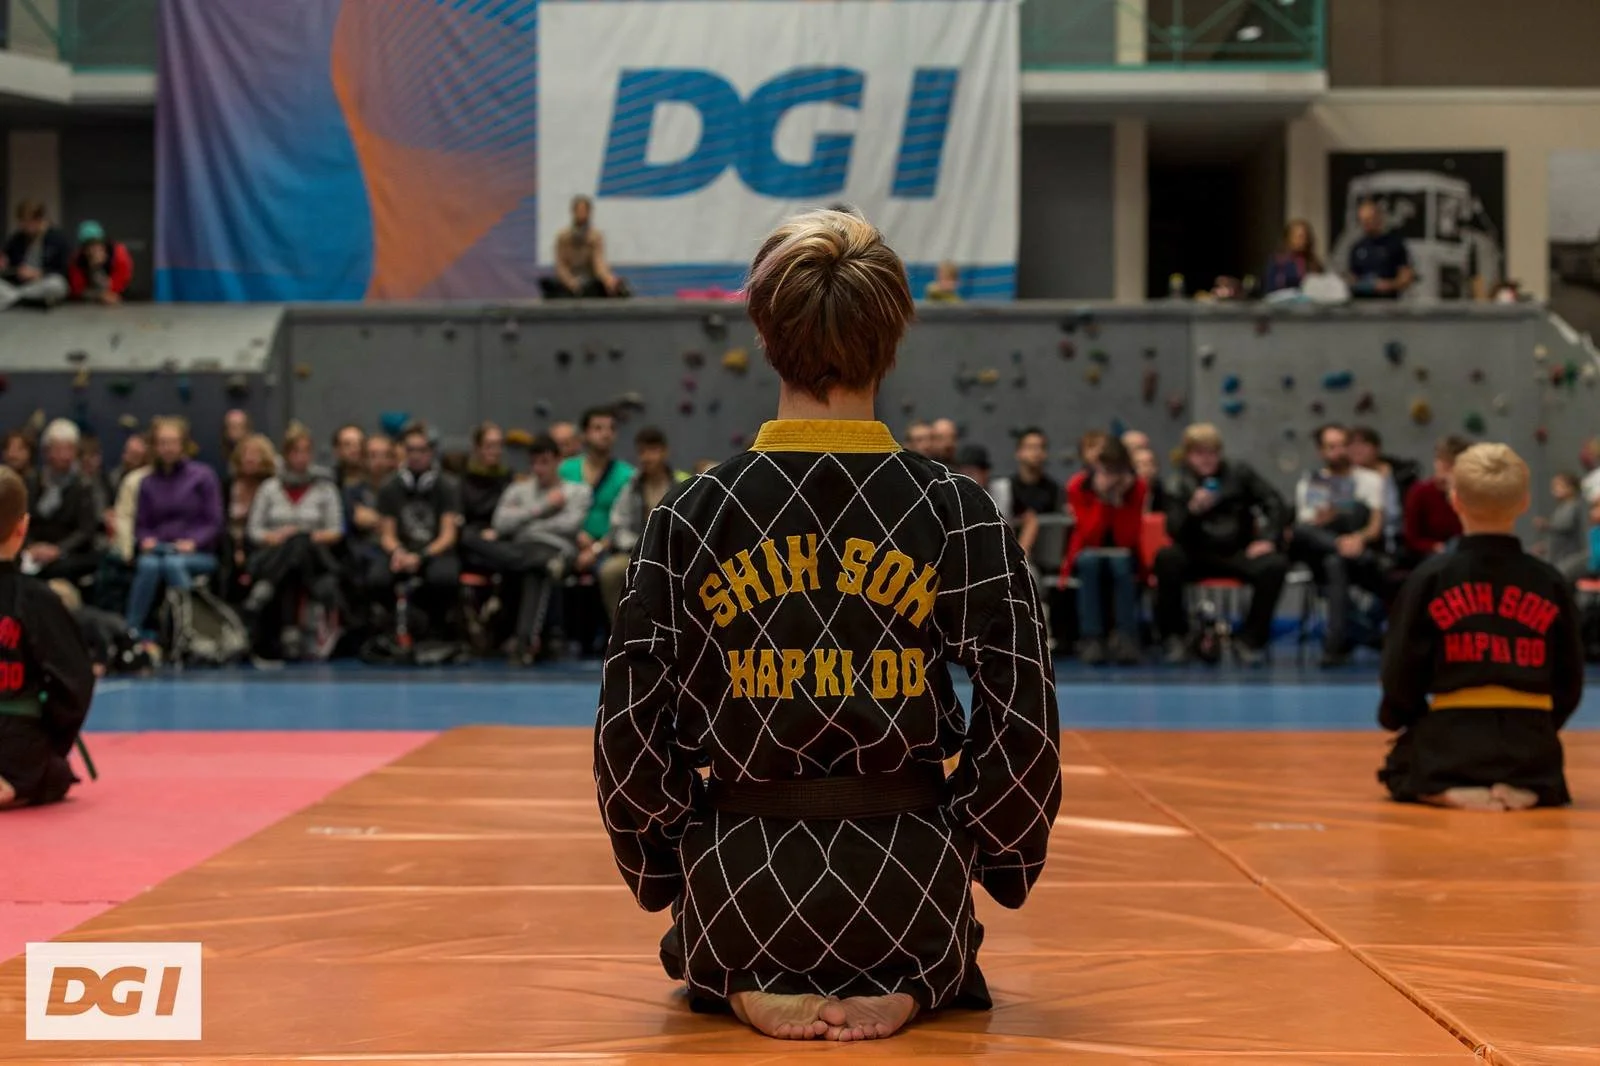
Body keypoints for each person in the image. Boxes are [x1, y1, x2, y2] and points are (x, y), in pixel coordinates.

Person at [595, 209, 1061, 1042]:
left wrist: (667, 863)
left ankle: (742, 978)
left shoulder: (695, 514)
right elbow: (1024, 719)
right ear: (893, 337)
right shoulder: (955, 510)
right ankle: (910, 982)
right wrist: (988, 852)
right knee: (925, 940)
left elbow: (629, 732)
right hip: (910, 890)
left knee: (723, 932)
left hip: (741, 887)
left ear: (766, 336)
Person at [1377, 444, 1584, 810]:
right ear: (1524, 502)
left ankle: (1447, 789)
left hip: (1452, 738)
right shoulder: (1550, 581)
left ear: (1455, 500)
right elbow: (1570, 678)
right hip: (1530, 745)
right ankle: (1526, 789)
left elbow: (1400, 669)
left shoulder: (1430, 577)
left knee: (1399, 768)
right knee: (1540, 769)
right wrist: (1544, 725)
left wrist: (1401, 716)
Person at [1155, 423, 1289, 665]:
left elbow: (1275, 502)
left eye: (1212, 453)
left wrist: (1268, 539)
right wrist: (1192, 511)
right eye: (1199, 453)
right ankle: (1175, 637)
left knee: (1274, 565)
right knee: (1166, 558)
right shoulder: (1177, 482)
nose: (1206, 459)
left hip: (1237, 551)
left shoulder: (1240, 473)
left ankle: (1251, 640)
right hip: (1196, 553)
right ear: (1188, 455)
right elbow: (1173, 529)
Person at [0, 468, 95, 809]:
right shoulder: (37, 600)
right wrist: (54, 741)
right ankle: (15, 781)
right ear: (22, 527)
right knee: (53, 772)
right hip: (17, 743)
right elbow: (75, 683)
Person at [243, 425, 346, 661]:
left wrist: (305, 535)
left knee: (299, 542)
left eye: (305, 451)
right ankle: (291, 633)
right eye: (295, 451)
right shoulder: (269, 488)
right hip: (274, 551)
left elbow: (336, 530)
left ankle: (267, 585)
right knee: (293, 558)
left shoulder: (325, 488)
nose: (301, 457)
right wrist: (275, 537)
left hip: (316, 556)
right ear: (286, 454)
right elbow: (254, 530)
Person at [1290, 425, 1389, 667]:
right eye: (1331, 447)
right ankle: (1366, 639)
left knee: (1338, 558)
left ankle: (1335, 646)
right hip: (1325, 551)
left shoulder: (1370, 480)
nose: (1339, 452)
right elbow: (1308, 528)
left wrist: (1358, 538)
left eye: (1343, 445)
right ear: (1321, 451)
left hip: (1361, 554)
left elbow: (1375, 526)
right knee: (1308, 537)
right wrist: (1336, 534)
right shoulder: (1311, 482)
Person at [492, 435, 590, 662]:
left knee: (537, 567)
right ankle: (524, 643)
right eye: (534, 463)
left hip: (557, 550)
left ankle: (524, 641)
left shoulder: (577, 491)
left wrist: (525, 523)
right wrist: (542, 508)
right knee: (472, 538)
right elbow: (499, 523)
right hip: (523, 549)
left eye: (544, 462)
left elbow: (570, 525)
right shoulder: (518, 489)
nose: (538, 469)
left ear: (558, 461)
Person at [126, 417, 223, 634]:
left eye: (172, 442)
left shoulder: (203, 476)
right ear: (154, 446)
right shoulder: (147, 482)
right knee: (148, 565)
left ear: (183, 444)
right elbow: (141, 525)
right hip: (159, 549)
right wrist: (145, 540)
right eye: (162, 442)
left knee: (173, 564)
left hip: (197, 552)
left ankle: (193, 630)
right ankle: (132, 629)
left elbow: (213, 522)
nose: (167, 448)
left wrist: (194, 542)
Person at [1063, 437, 1145, 665]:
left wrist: (1119, 502)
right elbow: (1089, 535)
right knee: (1090, 561)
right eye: (1107, 470)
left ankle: (1126, 637)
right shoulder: (1078, 485)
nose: (1112, 478)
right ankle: (1092, 638)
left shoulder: (1137, 487)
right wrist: (1102, 500)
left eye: (1117, 471)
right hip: (1088, 552)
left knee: (1121, 563)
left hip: (1123, 555)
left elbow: (1127, 539)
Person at [377, 424, 462, 634]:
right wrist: (399, 552)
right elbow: (387, 534)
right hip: (402, 551)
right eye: (410, 450)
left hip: (434, 551)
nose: (415, 456)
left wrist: (421, 557)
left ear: (431, 452)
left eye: (421, 450)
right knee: (376, 578)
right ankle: (387, 628)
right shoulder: (389, 487)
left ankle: (435, 629)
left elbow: (448, 536)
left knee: (443, 578)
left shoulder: (447, 486)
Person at [598, 426, 688, 622]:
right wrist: (639, 548)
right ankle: (620, 628)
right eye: (642, 452)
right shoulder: (631, 486)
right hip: (636, 552)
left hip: (675, 554)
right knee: (610, 571)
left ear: (664, 452)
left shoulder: (682, 484)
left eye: (652, 451)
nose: (646, 457)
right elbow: (617, 524)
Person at [559, 407, 635, 576]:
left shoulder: (627, 475)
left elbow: (624, 523)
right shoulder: (565, 469)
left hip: (609, 548)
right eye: (598, 428)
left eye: (611, 428)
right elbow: (556, 512)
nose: (606, 434)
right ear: (584, 434)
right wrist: (576, 535)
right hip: (568, 541)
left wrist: (596, 548)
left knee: (611, 572)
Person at [24, 420, 100, 584]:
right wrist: (31, 546)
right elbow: (23, 519)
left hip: (70, 552)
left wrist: (57, 550)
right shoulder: (33, 481)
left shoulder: (83, 485)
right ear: (46, 452)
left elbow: (86, 530)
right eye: (58, 450)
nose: (65, 456)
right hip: (34, 549)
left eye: (70, 449)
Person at [542, 195, 627, 298]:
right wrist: (571, 282)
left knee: (611, 289)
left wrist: (608, 279)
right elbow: (561, 266)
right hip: (568, 282)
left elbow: (599, 262)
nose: (582, 214)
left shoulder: (595, 236)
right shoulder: (563, 237)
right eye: (579, 210)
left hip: (589, 282)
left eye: (585, 211)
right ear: (573, 212)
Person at [1403, 436, 1471, 564]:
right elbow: (1411, 538)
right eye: (1442, 463)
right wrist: (1434, 546)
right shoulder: (1420, 492)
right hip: (1431, 556)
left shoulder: (1470, 494)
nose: (1446, 470)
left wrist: (1453, 493)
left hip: (1464, 553)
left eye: (1451, 465)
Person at [224, 434, 278, 592]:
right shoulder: (227, 486)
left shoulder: (272, 488)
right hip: (230, 544)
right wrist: (237, 549)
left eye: (255, 454)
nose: (249, 458)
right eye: (246, 453)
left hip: (261, 545)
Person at [0, 201, 70, 310]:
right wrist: (4, 263)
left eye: (28, 222)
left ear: (39, 220)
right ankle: (27, 301)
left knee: (58, 284)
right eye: (22, 222)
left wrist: (38, 273)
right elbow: (8, 261)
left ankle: (15, 299)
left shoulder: (57, 239)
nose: (24, 226)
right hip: (20, 284)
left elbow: (62, 270)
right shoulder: (17, 238)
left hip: (42, 282)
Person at [1346, 199, 1414, 299]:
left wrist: (1388, 285)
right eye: (1363, 220)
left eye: (1369, 219)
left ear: (1378, 218)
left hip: (1387, 302)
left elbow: (1406, 277)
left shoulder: (1395, 244)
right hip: (1362, 301)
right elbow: (1352, 276)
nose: (1366, 224)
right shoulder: (1357, 247)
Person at [1536, 472, 1590, 581]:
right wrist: (1546, 545)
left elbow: (1565, 525)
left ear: (1571, 488)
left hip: (1569, 557)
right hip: (1558, 557)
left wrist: (1547, 525)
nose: (1554, 490)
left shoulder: (1573, 506)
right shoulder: (1561, 508)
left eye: (1559, 486)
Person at [67, 221, 134, 305]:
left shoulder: (118, 253)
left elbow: (121, 280)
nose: (93, 249)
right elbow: (77, 289)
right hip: (89, 299)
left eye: (97, 243)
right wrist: (94, 269)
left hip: (119, 295)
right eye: (89, 245)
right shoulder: (77, 260)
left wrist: (110, 291)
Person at [1011, 428, 1061, 523]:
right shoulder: (1008, 489)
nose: (1036, 452)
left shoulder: (1054, 490)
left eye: (1041, 447)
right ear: (1018, 452)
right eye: (1031, 447)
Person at [1263, 219, 1323, 294]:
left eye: (1303, 237)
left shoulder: (1313, 263)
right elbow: (1269, 288)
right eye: (1297, 236)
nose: (1300, 241)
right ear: (1288, 238)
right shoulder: (1277, 261)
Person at [3, 432, 38, 501]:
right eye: (9, 448)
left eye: (19, 449)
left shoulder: (38, 484)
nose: (12, 454)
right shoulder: (2, 482)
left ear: (29, 453)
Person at [331, 424, 367, 488]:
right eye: (347, 445)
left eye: (359, 444)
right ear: (337, 450)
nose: (354, 449)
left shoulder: (376, 481)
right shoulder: (329, 482)